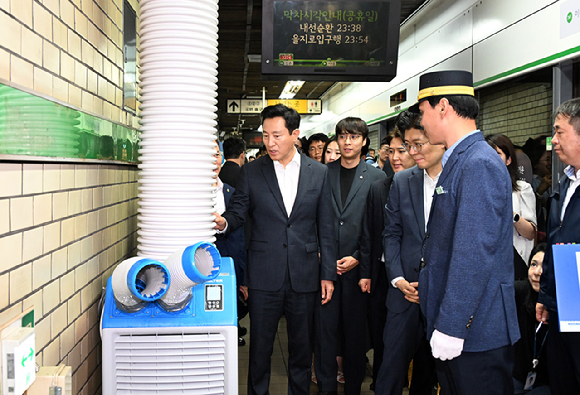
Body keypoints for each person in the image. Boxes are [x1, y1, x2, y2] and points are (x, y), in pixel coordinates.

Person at [214, 104, 336, 395]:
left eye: (277, 135)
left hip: (305, 275)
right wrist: (223, 222)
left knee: (301, 351)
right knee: (259, 353)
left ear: (295, 135)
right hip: (263, 276)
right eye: (266, 135)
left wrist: (327, 274)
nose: (270, 142)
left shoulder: (318, 173)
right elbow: (239, 212)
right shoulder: (252, 172)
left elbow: (327, 227)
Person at [411, 70, 520, 395]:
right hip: (462, 328)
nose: (422, 120)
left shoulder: (478, 163)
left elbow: (473, 254)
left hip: (475, 331)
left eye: (423, 111)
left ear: (442, 107)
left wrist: (451, 325)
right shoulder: (461, 160)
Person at [314, 117, 386, 395]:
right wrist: (322, 253)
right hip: (325, 269)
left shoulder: (377, 178)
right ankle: (326, 388)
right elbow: (314, 219)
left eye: (354, 137)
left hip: (359, 271)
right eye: (343, 136)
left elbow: (379, 225)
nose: (347, 142)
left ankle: (353, 388)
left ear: (365, 141)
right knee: (325, 335)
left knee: (355, 337)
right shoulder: (322, 173)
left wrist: (358, 257)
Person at [375, 111, 443, 395]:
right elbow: (391, 233)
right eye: (407, 145)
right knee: (390, 371)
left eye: (418, 144)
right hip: (403, 294)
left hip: (440, 297)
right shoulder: (403, 182)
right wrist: (397, 277)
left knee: (428, 375)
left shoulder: (459, 179)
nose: (412, 152)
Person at [359, 111, 420, 392]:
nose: (396, 157)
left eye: (402, 150)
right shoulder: (380, 188)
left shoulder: (424, 183)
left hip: (419, 277)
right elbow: (374, 235)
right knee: (386, 339)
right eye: (391, 151)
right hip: (388, 275)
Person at [536, 97, 580, 395]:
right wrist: (546, 296)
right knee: (562, 371)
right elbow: (555, 243)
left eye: (559, 132)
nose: (553, 141)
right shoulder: (564, 184)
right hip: (566, 291)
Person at [212, 141, 248, 346]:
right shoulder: (187, 196)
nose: (214, 161)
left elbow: (240, 238)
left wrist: (243, 277)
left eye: (217, 155)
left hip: (228, 266)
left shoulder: (232, 193)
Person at [486, 134, 537, 279]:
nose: (490, 160)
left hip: (514, 261)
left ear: (508, 160)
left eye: (497, 154)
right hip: (486, 261)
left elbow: (530, 233)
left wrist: (511, 214)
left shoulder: (522, 189)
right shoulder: (476, 189)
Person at [514, 243, 550, 395]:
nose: (537, 272)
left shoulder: (562, 304)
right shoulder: (518, 292)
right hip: (517, 374)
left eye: (545, 266)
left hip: (548, 381)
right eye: (533, 264)